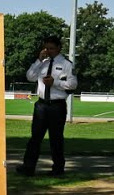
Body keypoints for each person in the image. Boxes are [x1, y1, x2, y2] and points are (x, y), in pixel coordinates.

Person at [15, 36, 77, 176]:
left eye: (51, 48)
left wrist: (55, 83)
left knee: (56, 139)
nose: (49, 51)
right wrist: (38, 60)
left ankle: (58, 169)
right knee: (35, 138)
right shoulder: (42, 63)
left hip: (57, 105)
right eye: (46, 48)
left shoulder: (67, 64)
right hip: (41, 105)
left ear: (59, 48)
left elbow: (73, 85)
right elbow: (30, 77)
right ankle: (28, 168)